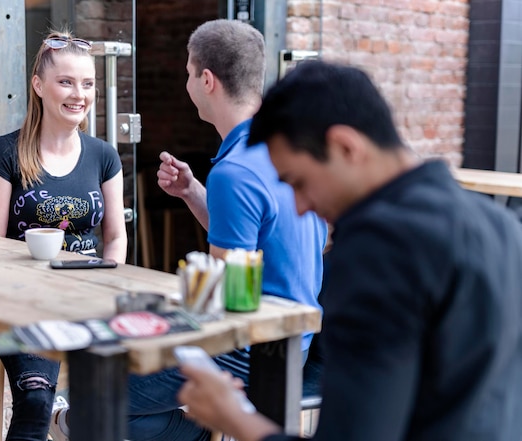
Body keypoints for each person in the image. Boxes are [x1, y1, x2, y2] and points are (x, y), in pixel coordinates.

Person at [177, 60, 522, 441]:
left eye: (299, 182)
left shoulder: (378, 250)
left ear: (345, 146)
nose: (301, 206)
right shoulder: (500, 226)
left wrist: (235, 418)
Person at [125, 19, 328, 441]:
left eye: (186, 73)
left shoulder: (235, 171)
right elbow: (252, 250)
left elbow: (221, 307)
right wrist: (194, 193)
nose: (186, 83)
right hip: (297, 342)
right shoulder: (283, 146)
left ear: (206, 79)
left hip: (252, 351)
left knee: (94, 394)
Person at [0, 30, 127, 441]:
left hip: (87, 298)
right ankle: (58, 414)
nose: (79, 94)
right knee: (36, 401)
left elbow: (114, 238)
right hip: (24, 303)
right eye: (66, 82)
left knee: (137, 390)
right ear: (39, 86)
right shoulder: (5, 154)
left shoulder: (103, 156)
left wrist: (108, 289)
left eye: (88, 83)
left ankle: (70, 419)